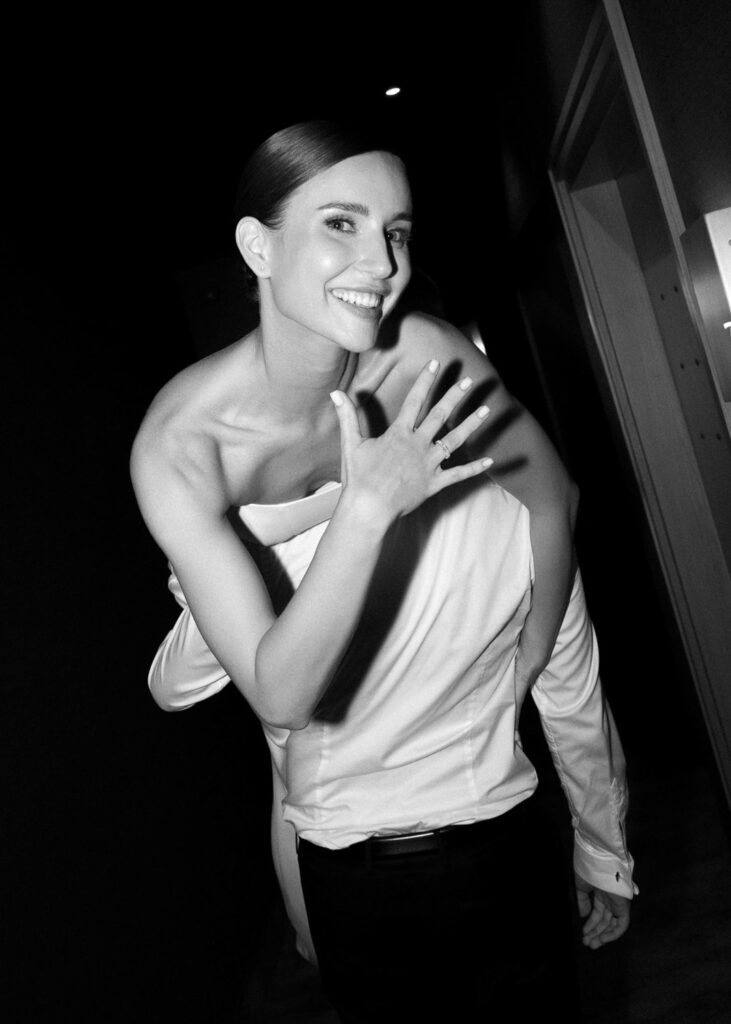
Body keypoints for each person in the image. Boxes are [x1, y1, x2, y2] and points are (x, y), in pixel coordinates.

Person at [131, 121, 636, 1021]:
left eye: (395, 230)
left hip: (498, 838)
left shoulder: (424, 356)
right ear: (257, 247)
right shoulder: (182, 447)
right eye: (341, 223)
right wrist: (361, 510)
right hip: (338, 853)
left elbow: (552, 497)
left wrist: (533, 645)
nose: (382, 262)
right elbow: (278, 697)